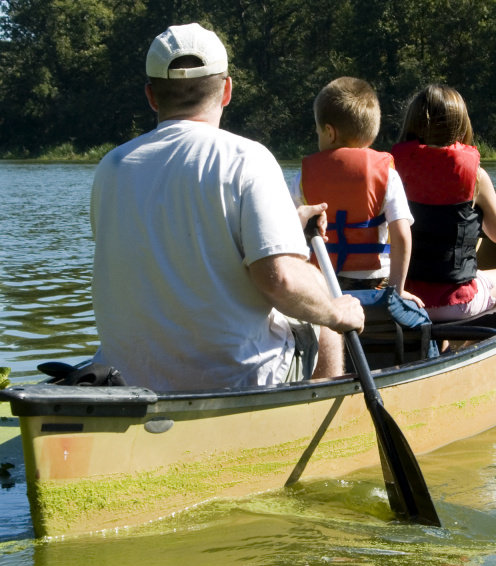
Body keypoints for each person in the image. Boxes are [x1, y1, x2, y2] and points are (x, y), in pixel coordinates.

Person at [90, 23, 363, 392]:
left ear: (152, 96)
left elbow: (167, 244)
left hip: (129, 383)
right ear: (227, 91)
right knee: (320, 302)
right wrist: (335, 312)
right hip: (234, 381)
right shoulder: (247, 158)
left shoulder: (112, 166)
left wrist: (286, 222)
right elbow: (280, 279)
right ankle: (317, 429)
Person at [391, 84, 496, 322]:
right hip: (456, 303)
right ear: (461, 125)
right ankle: (473, 340)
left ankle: (440, 343)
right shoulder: (475, 176)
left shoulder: (392, 169)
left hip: (402, 301)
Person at [290, 77, 421, 305]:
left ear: (329, 132)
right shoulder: (387, 175)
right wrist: (397, 290)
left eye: (318, 131)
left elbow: (288, 233)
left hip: (325, 285)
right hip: (377, 283)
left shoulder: (301, 178)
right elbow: (401, 234)